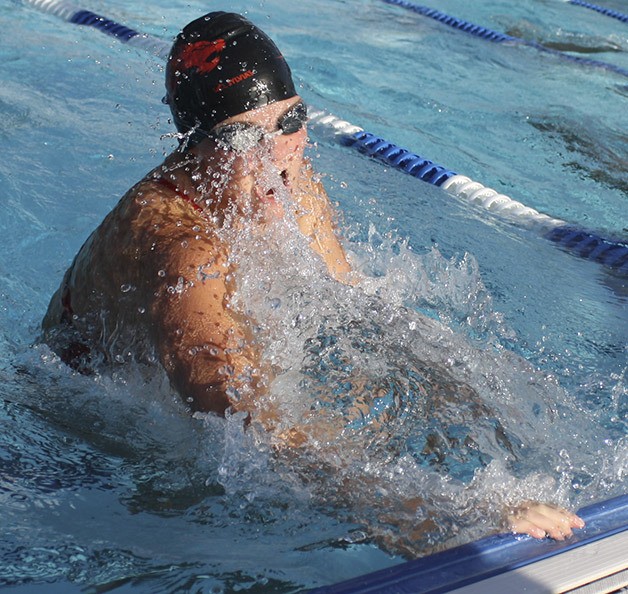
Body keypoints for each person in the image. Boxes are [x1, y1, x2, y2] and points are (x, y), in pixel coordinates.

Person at [42, 11, 583, 545]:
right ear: (196, 146)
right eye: (239, 139)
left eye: (290, 120)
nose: (277, 153)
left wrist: (480, 399)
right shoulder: (180, 247)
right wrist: (445, 514)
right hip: (83, 451)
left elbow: (357, 309)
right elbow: (240, 423)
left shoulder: (289, 182)